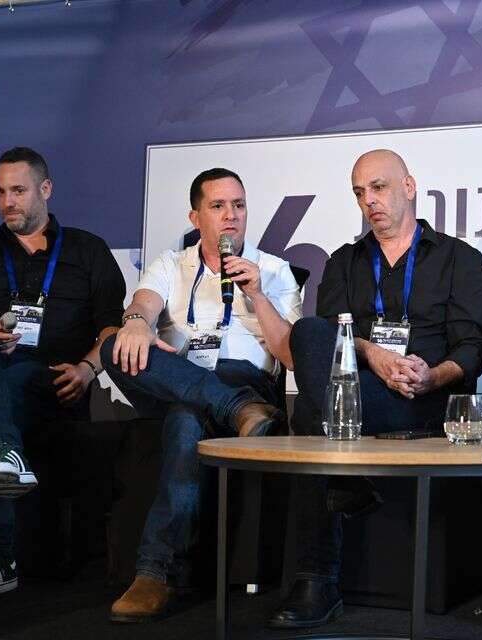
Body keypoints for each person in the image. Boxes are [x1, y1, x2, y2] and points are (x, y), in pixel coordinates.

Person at [269, 149, 482, 629]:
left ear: (409, 187)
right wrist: (373, 354)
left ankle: (316, 579)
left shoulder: (459, 258)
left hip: (422, 401)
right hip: (359, 395)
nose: (368, 200)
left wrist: (431, 375)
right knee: (308, 332)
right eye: (359, 192)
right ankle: (345, 480)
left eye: (379, 187)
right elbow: (325, 343)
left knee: (309, 416)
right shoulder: (345, 261)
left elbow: (472, 348)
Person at [101, 168, 301, 622]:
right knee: (115, 343)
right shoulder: (172, 264)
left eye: (239, 205)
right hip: (179, 376)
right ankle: (239, 412)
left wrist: (258, 296)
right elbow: (145, 303)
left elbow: (290, 357)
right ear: (195, 217)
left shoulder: (274, 269)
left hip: (242, 378)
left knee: (185, 417)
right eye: (218, 206)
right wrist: (136, 322)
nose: (231, 215)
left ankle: (154, 573)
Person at [0, 147, 126, 602]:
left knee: (13, 384)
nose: (7, 202)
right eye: (0, 192)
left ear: (45, 189)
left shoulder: (87, 250)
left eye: (18, 191)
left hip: (55, 383)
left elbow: (112, 327)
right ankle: (4, 459)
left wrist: (87, 368)